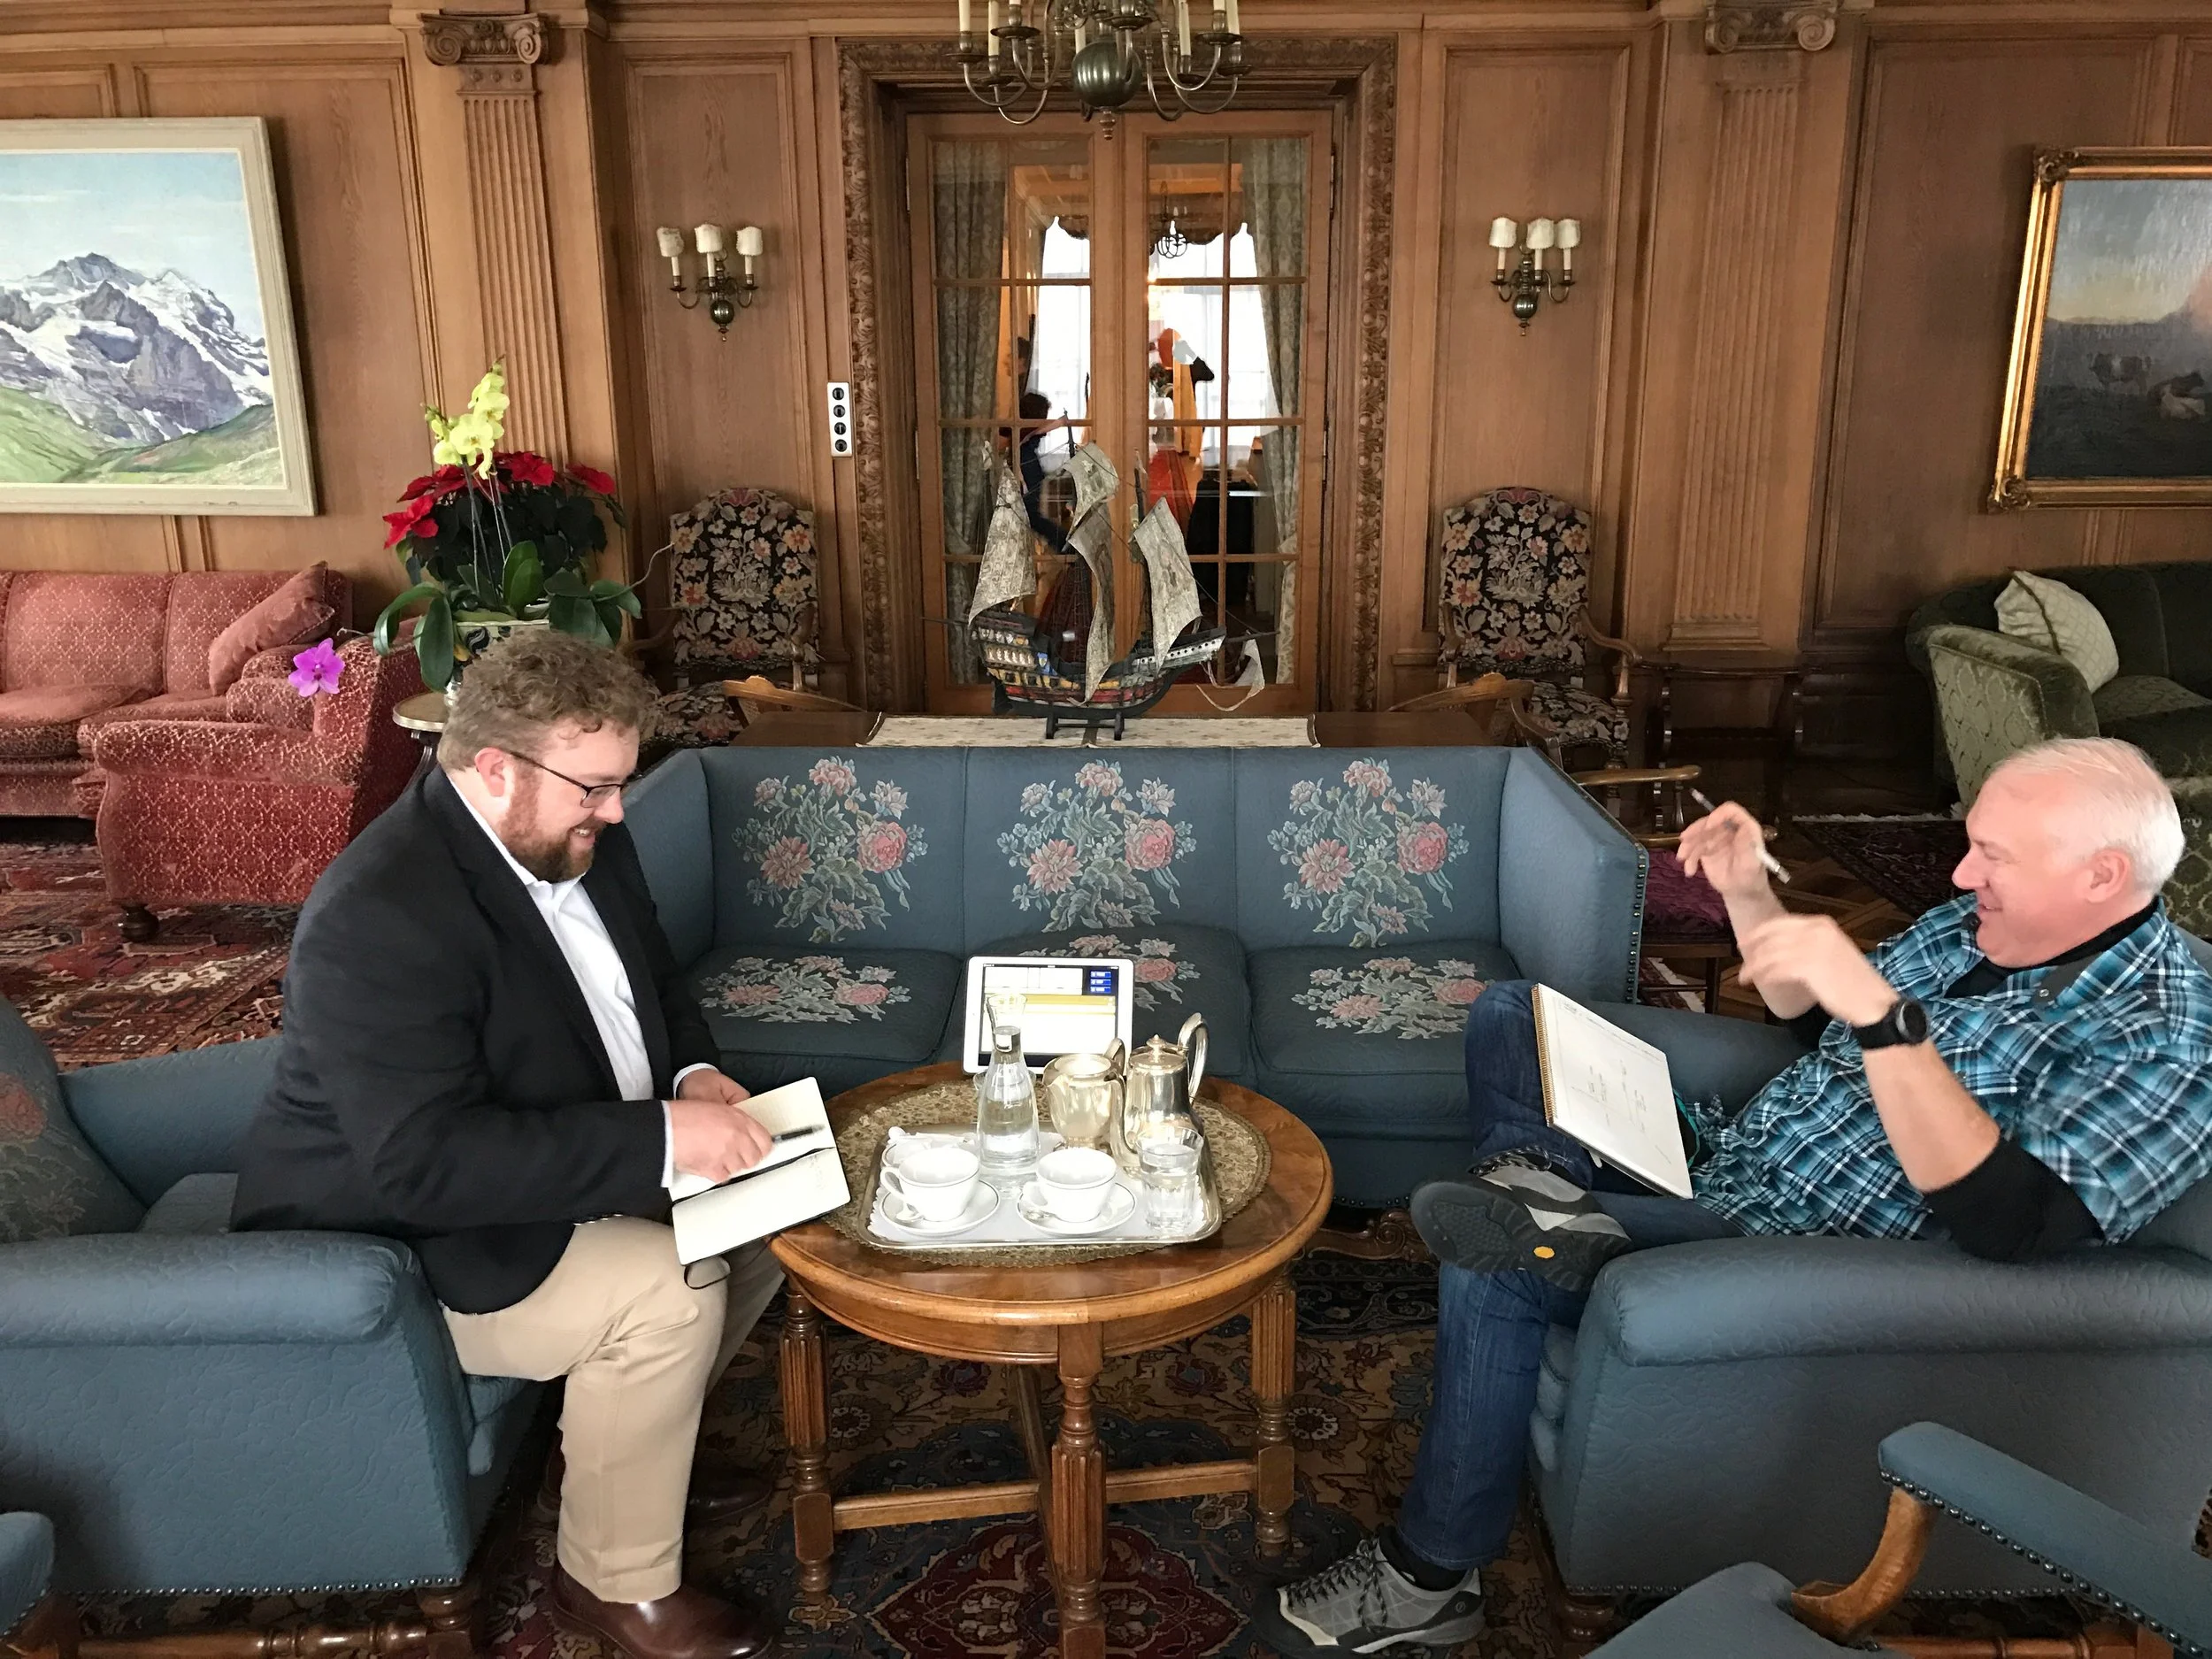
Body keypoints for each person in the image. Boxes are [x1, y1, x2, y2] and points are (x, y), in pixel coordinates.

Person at [1272, 737, 2212, 1653]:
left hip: (1791, 1241)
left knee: (1500, 1260)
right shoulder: (1977, 928)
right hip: (1734, 1150)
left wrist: (1886, 1020)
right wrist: (1748, 893)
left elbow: (2019, 1223)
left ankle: (1427, 1578)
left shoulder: (2164, 1035)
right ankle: (1547, 1192)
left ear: (2101, 875)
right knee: (1516, 1012)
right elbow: (1812, 1028)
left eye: (1993, 856)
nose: (1963, 875)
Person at [232, 632, 784, 1659]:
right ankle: (611, 1587)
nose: (617, 812)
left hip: (554, 1157)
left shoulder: (568, 834)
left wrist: (690, 1079)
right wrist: (663, 1138)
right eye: (598, 788)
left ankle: (627, 1456)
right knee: (667, 1289)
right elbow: (426, 1165)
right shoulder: (381, 914)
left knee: (766, 1214)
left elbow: (656, 986)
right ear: (495, 770)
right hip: (399, 1243)